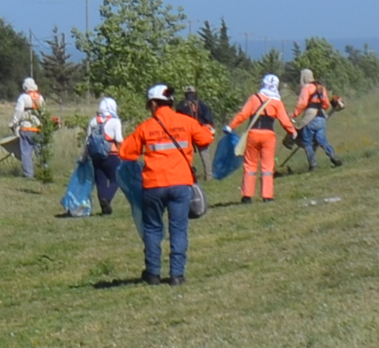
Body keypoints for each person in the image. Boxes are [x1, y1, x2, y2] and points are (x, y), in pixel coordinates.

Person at [118, 83, 215, 283]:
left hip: (153, 184)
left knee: (153, 228)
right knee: (178, 228)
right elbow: (206, 139)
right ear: (170, 102)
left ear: (153, 104)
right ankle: (176, 275)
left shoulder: (146, 127)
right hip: (180, 183)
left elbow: (125, 152)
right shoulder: (186, 122)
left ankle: (153, 274)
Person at [228, 73, 299, 200]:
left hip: (253, 134)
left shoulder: (254, 98)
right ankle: (267, 196)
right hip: (269, 135)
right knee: (267, 166)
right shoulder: (277, 102)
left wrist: (230, 126)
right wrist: (292, 131)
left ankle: (247, 195)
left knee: (250, 165)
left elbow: (242, 115)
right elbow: (284, 121)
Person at [59, 94, 126, 216]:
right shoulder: (115, 121)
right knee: (116, 179)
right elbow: (119, 139)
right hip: (111, 155)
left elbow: (88, 142)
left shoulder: (94, 121)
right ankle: (106, 199)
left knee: (100, 181)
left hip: (95, 156)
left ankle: (104, 205)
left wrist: (84, 158)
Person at [292, 69, 343, 168]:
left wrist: (294, 115)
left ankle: (313, 164)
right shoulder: (320, 87)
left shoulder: (306, 88)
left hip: (310, 119)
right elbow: (326, 104)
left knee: (307, 142)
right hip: (321, 118)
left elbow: (302, 104)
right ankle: (334, 157)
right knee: (322, 140)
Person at [7, 81, 47, 180]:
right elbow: (44, 112)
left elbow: (19, 112)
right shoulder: (40, 97)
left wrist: (14, 122)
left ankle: (29, 174)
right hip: (38, 128)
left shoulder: (23, 97)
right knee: (41, 151)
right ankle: (45, 172)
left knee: (26, 152)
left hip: (26, 128)